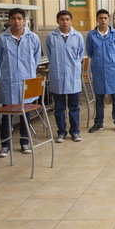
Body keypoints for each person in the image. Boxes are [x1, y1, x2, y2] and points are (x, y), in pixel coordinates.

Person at [0, 8, 41, 158]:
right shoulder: (2, 39)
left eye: (19, 18)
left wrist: (28, 72)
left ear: (24, 20)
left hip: (26, 80)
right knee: (6, 115)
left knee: (25, 114)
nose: (16, 21)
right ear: (9, 20)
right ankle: (6, 145)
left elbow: (36, 58)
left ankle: (24, 142)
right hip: (8, 81)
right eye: (13, 18)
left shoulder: (33, 37)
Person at [46, 10, 85, 143]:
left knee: (74, 107)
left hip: (73, 76)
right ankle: (61, 132)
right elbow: (50, 55)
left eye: (67, 19)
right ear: (57, 21)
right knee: (59, 107)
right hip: (57, 76)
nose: (65, 22)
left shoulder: (78, 36)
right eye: (62, 19)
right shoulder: (51, 37)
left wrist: (73, 66)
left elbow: (80, 55)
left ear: (71, 21)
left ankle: (75, 132)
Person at [86, 9, 115, 133]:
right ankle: (98, 123)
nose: (103, 20)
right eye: (100, 18)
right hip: (98, 70)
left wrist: (111, 61)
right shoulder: (92, 35)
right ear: (97, 19)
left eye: (105, 18)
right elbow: (90, 52)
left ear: (108, 19)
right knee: (99, 98)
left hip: (112, 70)